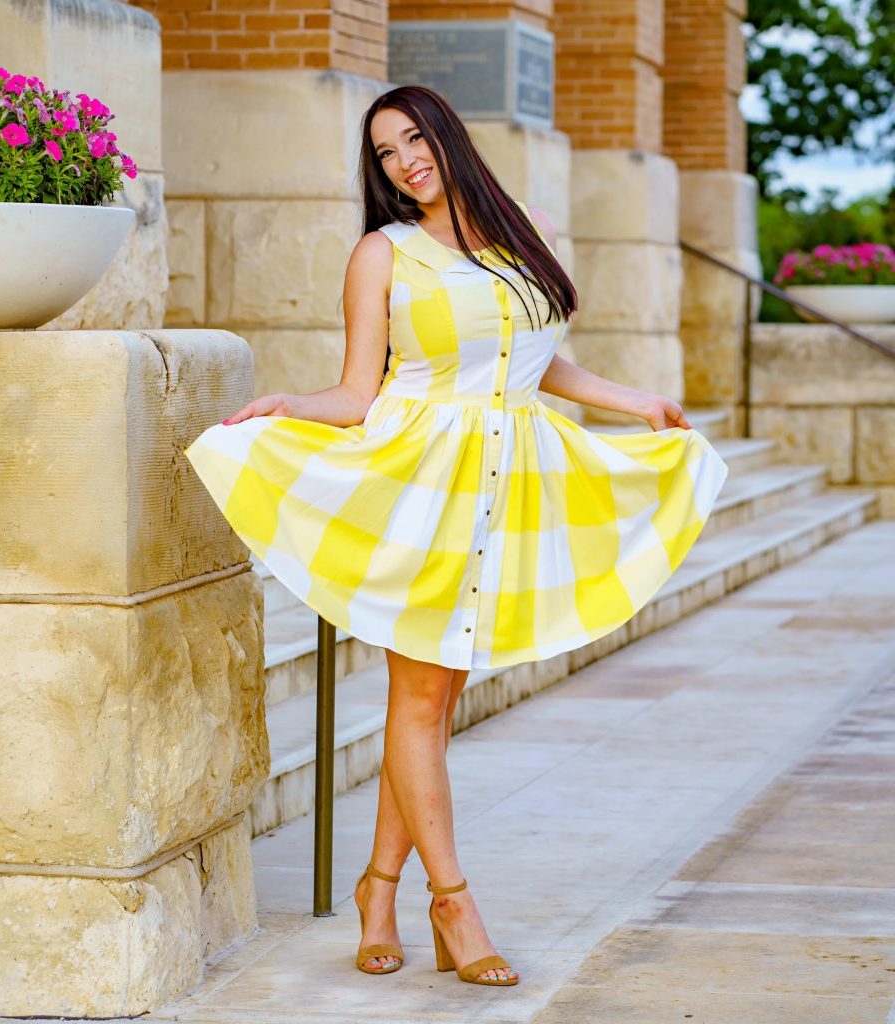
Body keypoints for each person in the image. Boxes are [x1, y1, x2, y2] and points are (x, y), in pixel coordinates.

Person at [184, 85, 728, 988]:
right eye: (385, 152)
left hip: (505, 484)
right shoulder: (381, 253)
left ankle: (378, 888)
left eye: (412, 138)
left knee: (433, 705)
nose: (404, 160)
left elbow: (533, 358)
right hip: (421, 483)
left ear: (445, 135)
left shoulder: (522, 232)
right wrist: (291, 406)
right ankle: (454, 903)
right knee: (423, 700)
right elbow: (360, 390)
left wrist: (635, 402)